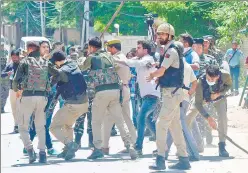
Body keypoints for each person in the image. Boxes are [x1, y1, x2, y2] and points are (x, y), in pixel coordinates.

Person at [81, 37, 137, 160]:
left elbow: (82, 67)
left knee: (96, 121)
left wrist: (84, 56)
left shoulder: (92, 57)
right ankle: (130, 145)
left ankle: (97, 148)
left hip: (101, 92)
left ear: (91, 47)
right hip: (115, 91)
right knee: (120, 121)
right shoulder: (110, 56)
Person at [147, 23, 191, 170]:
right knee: (175, 126)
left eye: (163, 34)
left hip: (172, 93)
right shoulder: (170, 49)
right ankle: (184, 158)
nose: (160, 37)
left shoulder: (170, 51)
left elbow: (161, 70)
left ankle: (160, 158)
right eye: (159, 34)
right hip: (172, 92)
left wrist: (153, 75)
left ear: (170, 35)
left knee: (161, 124)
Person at [115, 40, 161, 156]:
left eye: (139, 48)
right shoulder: (140, 59)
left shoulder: (148, 59)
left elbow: (131, 63)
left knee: (140, 117)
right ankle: (162, 144)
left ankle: (138, 147)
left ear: (145, 50)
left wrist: (119, 60)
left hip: (152, 96)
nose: (136, 49)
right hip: (147, 96)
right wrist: (115, 59)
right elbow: (127, 62)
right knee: (148, 121)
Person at [12, 42, 50, 164]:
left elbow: (15, 81)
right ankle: (43, 153)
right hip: (42, 97)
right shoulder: (45, 62)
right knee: (41, 127)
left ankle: (30, 150)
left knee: (22, 126)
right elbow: (58, 75)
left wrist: (17, 90)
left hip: (28, 97)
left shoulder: (25, 61)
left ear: (29, 49)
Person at [49, 51, 89, 161]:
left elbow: (54, 79)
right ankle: (68, 150)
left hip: (73, 104)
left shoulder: (62, 71)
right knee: (67, 125)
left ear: (57, 61)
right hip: (84, 103)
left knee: (53, 127)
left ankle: (70, 144)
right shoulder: (73, 64)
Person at [186, 65, 232, 157]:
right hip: (203, 98)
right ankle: (187, 145)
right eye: (208, 78)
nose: (210, 81)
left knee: (223, 119)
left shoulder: (225, 75)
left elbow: (229, 86)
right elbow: (198, 104)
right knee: (188, 117)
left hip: (219, 98)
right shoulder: (200, 82)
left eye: (212, 79)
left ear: (218, 76)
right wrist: (208, 118)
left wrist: (219, 93)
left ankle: (222, 145)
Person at [102, 39, 137, 154]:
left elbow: (106, 62)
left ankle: (105, 146)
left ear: (113, 48)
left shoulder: (116, 58)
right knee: (120, 118)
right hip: (123, 89)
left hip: (119, 91)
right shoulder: (122, 57)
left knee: (113, 118)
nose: (107, 50)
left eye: (108, 48)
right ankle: (133, 143)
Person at [1, 50, 21, 133]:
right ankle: (16, 125)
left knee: (21, 108)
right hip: (12, 90)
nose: (14, 59)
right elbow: (2, 74)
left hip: (21, 90)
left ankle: (21, 125)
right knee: (14, 108)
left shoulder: (23, 64)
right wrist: (7, 73)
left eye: (16, 57)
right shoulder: (10, 65)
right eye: (13, 58)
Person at [0, 42, 10, 113]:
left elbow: (9, 61)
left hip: (5, 77)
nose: (2, 47)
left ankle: (2, 107)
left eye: (3, 45)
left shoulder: (6, 52)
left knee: (6, 94)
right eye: (1, 45)